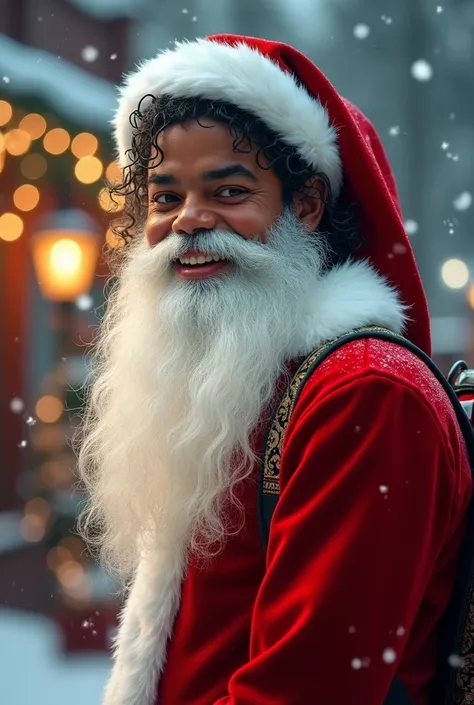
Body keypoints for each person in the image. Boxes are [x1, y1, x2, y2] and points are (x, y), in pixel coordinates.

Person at [75, 34, 472, 705]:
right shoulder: (231, 380)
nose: (189, 222)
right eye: (165, 197)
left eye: (228, 190)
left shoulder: (364, 395)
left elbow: (307, 689)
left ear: (307, 204)